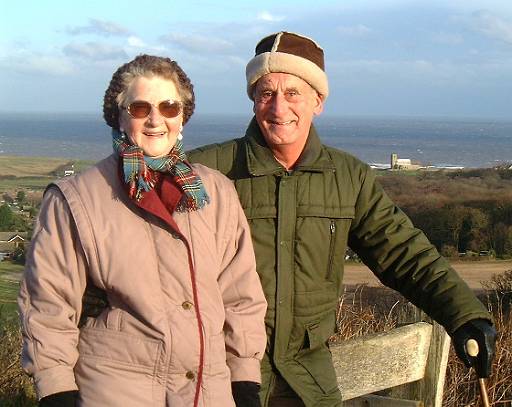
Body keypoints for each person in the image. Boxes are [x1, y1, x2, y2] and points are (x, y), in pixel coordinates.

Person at [187, 31, 497, 406]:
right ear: (253, 100)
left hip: (309, 382)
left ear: (318, 101)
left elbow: (405, 254)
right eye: (266, 93)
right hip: (223, 379)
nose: (278, 108)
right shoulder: (205, 172)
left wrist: (464, 316)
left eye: (293, 94)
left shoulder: (348, 178)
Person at [18, 55, 267, 407]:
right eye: (139, 108)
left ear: (183, 117)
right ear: (118, 116)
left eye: (169, 107)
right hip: (116, 392)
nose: (155, 119)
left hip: (209, 393)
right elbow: (48, 304)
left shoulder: (215, 192)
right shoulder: (77, 199)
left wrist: (244, 378)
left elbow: (240, 295)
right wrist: (56, 387)